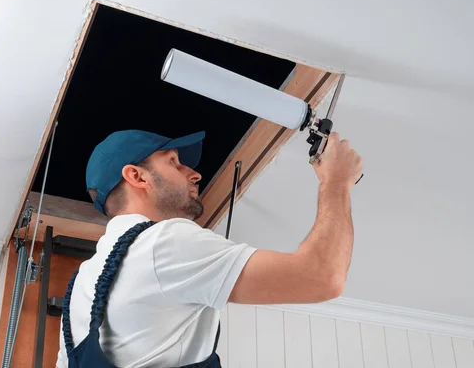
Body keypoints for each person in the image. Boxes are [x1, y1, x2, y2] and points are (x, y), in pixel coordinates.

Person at [56, 129, 362, 368]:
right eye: (173, 162)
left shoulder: (82, 284)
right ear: (137, 176)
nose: (195, 174)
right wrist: (336, 182)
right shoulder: (164, 242)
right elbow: (322, 277)